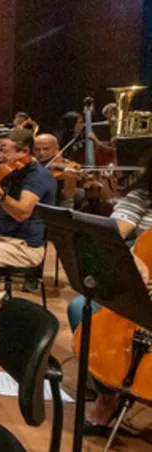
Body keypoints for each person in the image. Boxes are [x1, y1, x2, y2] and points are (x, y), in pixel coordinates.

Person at [66, 155, 152, 436]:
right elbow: (111, 234)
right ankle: (107, 394)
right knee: (81, 307)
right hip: (140, 290)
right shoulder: (144, 196)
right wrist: (128, 257)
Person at [0, 130, 56, 305]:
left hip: (24, 247)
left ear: (24, 152)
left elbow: (22, 213)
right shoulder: (11, 173)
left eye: (4, 150)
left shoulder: (37, 177)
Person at [34, 133, 81, 208]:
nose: (41, 153)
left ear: (56, 148)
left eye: (46, 149)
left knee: (70, 176)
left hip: (55, 199)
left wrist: (57, 165)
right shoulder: (30, 161)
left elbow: (74, 167)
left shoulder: (61, 161)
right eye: (37, 150)